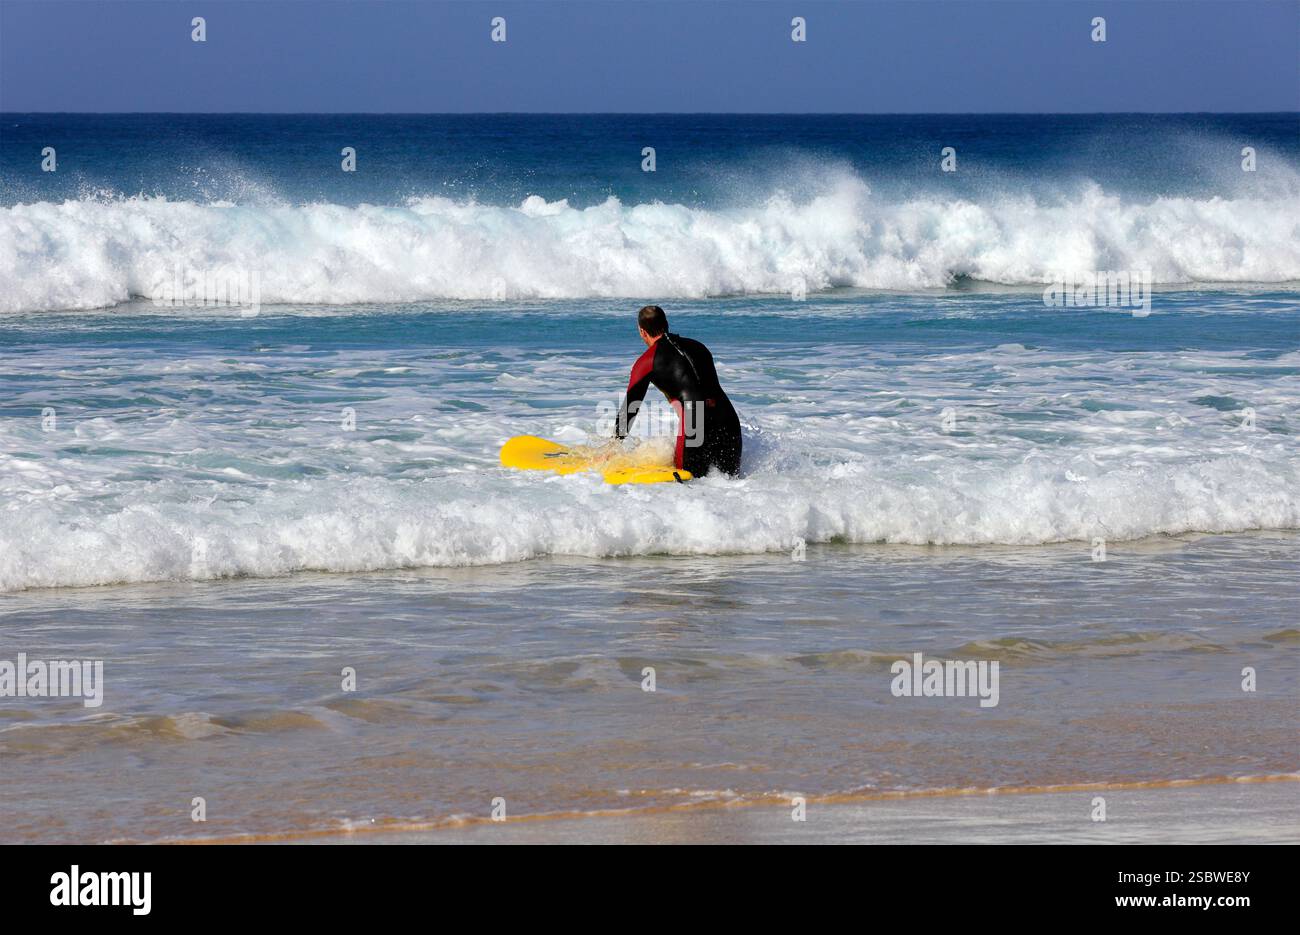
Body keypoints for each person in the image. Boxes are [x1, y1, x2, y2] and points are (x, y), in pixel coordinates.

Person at [613, 305, 742, 477]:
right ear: (666, 324)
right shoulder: (698, 347)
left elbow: (631, 406)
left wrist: (613, 446)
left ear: (642, 331)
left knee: (687, 486)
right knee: (732, 483)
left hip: (694, 424)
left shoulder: (646, 362)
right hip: (728, 419)